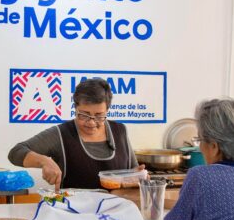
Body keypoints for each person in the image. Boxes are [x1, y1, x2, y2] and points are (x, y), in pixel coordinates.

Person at [8, 78, 141, 191]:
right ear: (75, 108)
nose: (92, 122)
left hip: (115, 214)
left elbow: (133, 172)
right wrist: (44, 161)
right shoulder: (60, 134)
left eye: (99, 116)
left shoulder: (120, 131)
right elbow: (15, 152)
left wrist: (137, 177)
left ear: (107, 110)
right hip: (73, 214)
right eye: (84, 115)